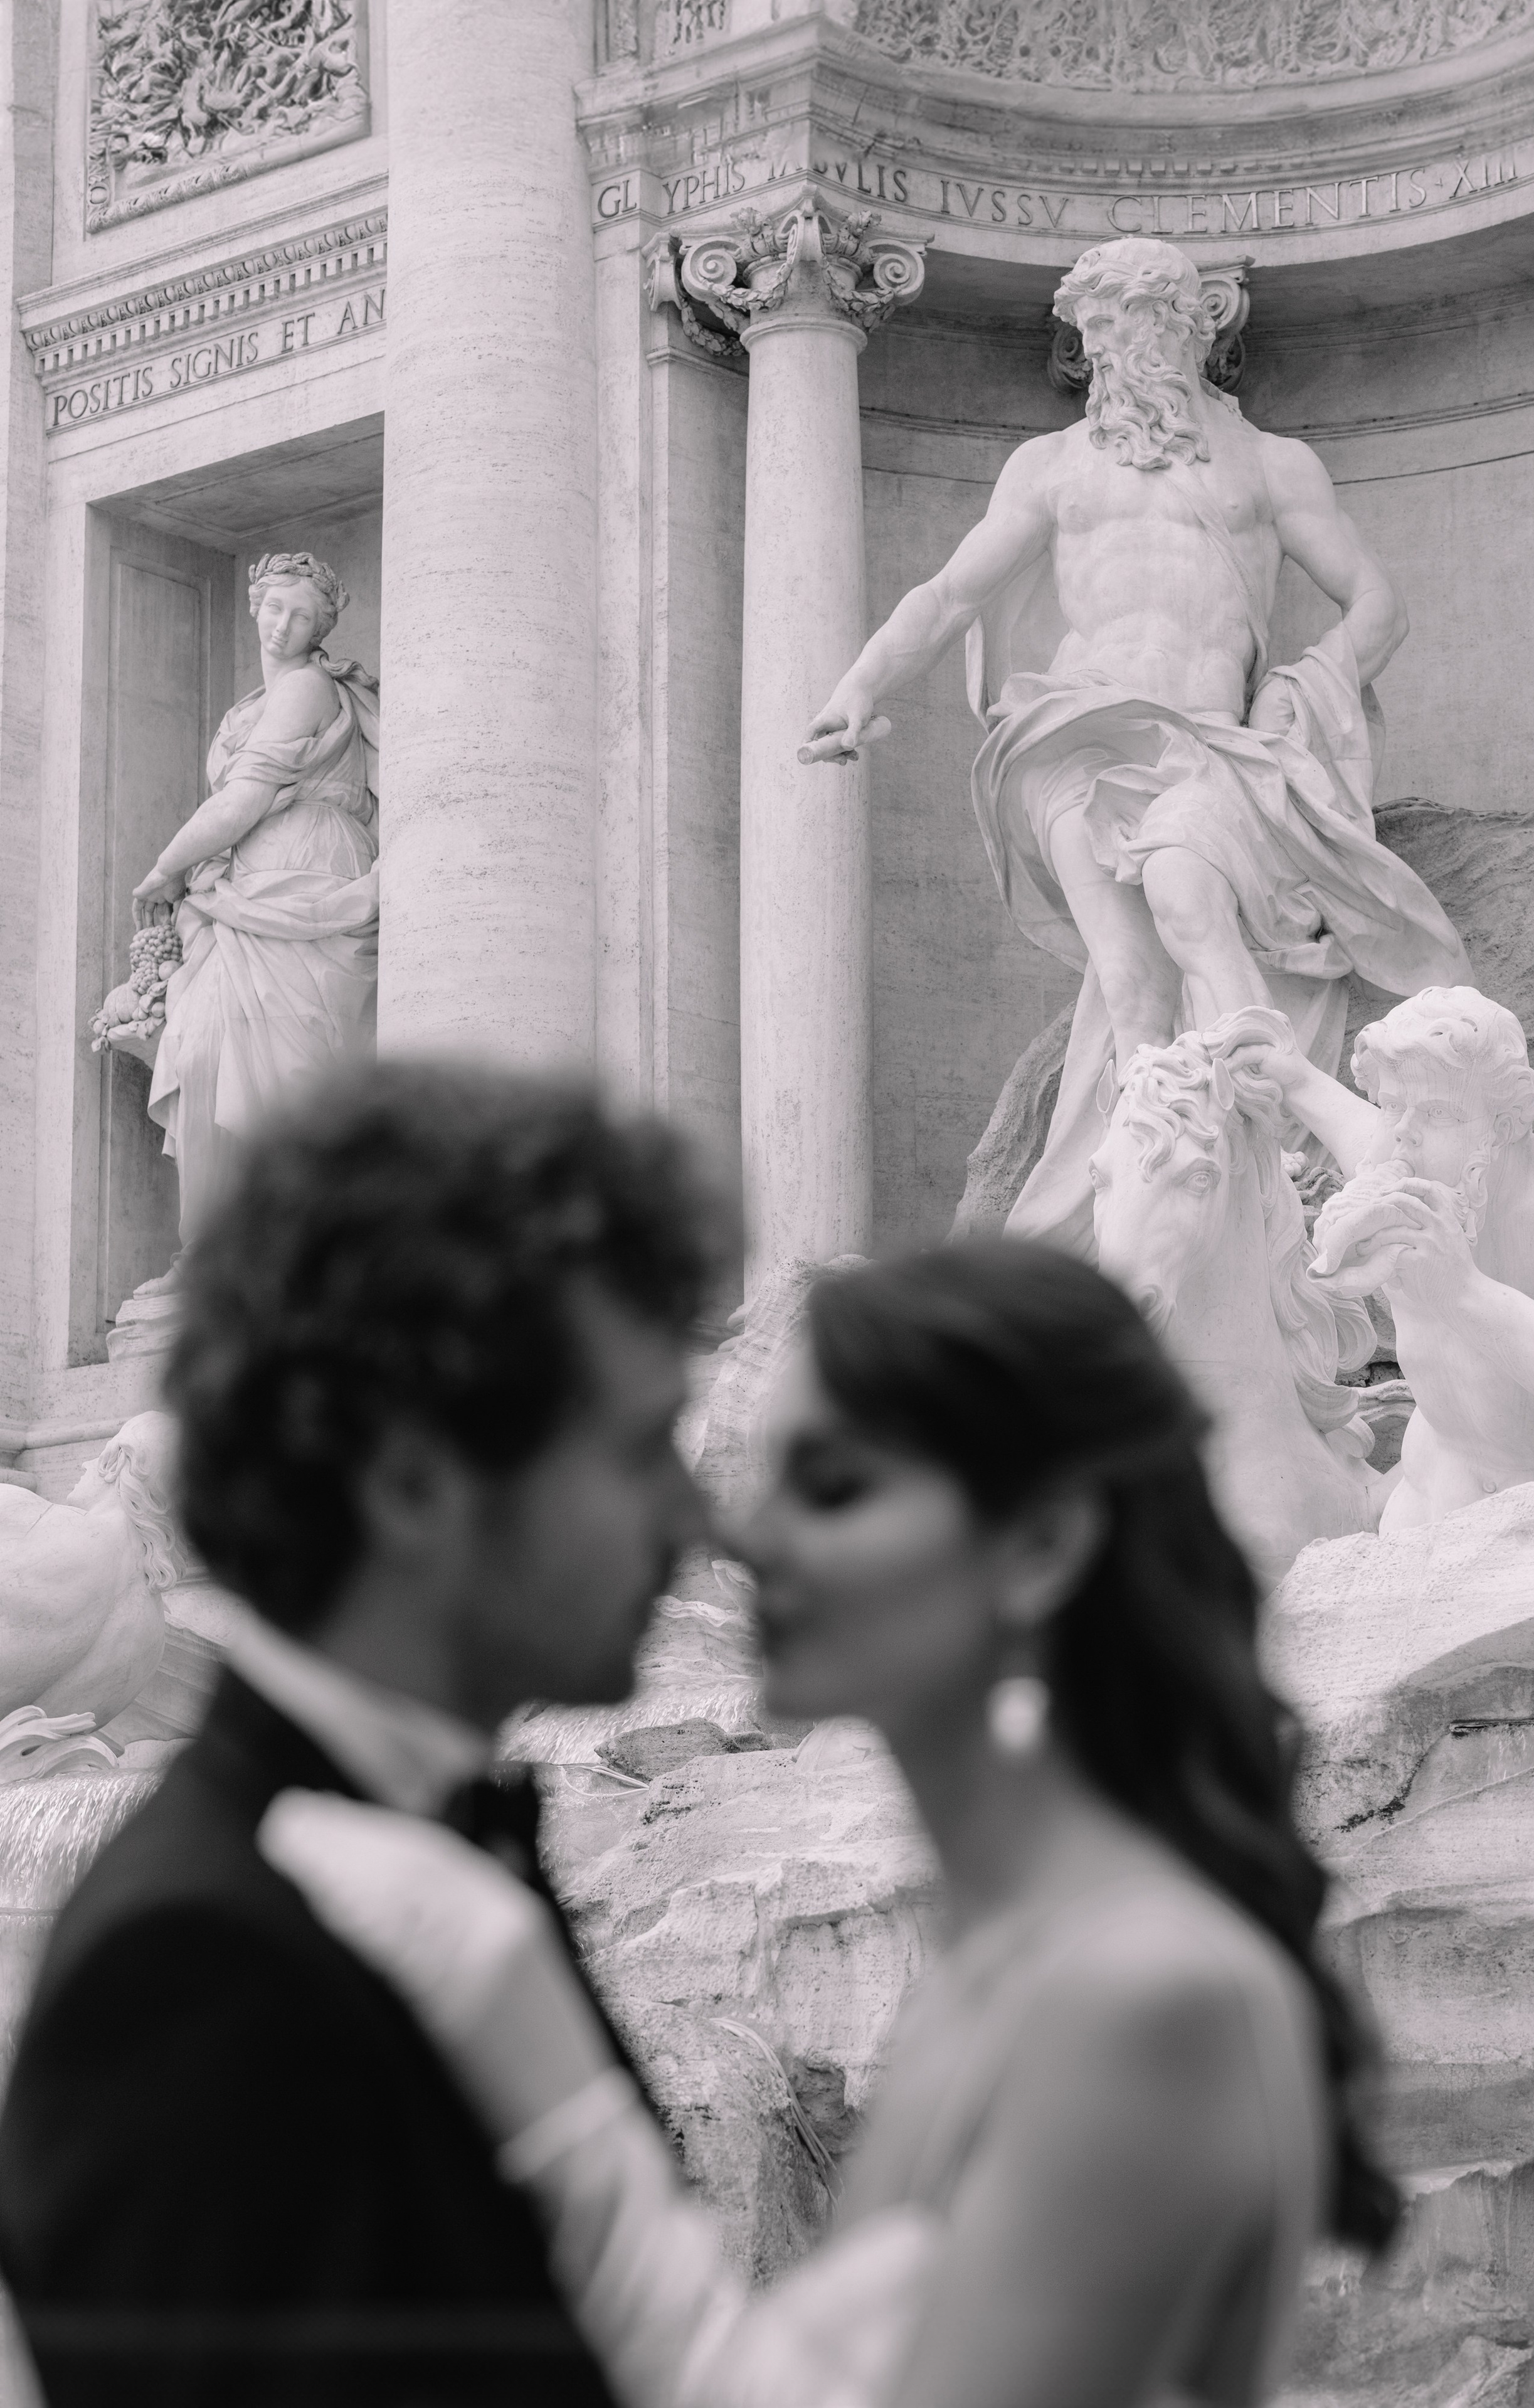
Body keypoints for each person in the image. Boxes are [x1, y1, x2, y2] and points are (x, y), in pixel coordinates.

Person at [262, 1237, 1398, 2408]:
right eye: (763, 1477)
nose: (744, 1534)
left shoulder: (1144, 1991)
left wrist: (556, 2089)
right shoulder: (998, 1962)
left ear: (1042, 1543)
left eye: (835, 1485)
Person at [0, 1063, 730, 2407]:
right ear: (409, 1481)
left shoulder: (408, 1854)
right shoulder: (193, 1965)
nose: (693, 1515)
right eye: (638, 1450)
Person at [803, 238, 1465, 1251]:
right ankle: (1142, 1206)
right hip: (1072, 736)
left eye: (1146, 321)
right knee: (1131, 985)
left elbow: (1378, 605)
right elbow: (947, 596)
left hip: (1208, 745)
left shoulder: (1269, 464)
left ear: (1195, 329)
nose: (1123, 347)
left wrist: (1297, 694)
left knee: (1184, 892)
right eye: (1104, 328)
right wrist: (857, 687)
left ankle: (1268, 1139)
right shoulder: (1050, 468)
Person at [1236, 987, 1534, 1525]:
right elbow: (1350, 1118)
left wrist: (1461, 1291)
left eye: (1437, 1112)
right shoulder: (1402, 1157)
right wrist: (1289, 1073)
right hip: (1425, 1504)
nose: (1402, 1134)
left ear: (1502, 1126)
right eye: (1391, 1105)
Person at [133, 549, 381, 1263]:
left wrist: (165, 869)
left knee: (280, 1058)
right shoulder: (247, 707)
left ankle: (291, 1245)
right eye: (274, 607)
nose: (282, 626)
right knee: (202, 1047)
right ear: (254, 607)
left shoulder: (307, 687)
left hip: (306, 872)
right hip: (241, 887)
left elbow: (243, 800)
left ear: (320, 630)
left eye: (301, 616)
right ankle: (220, 1250)